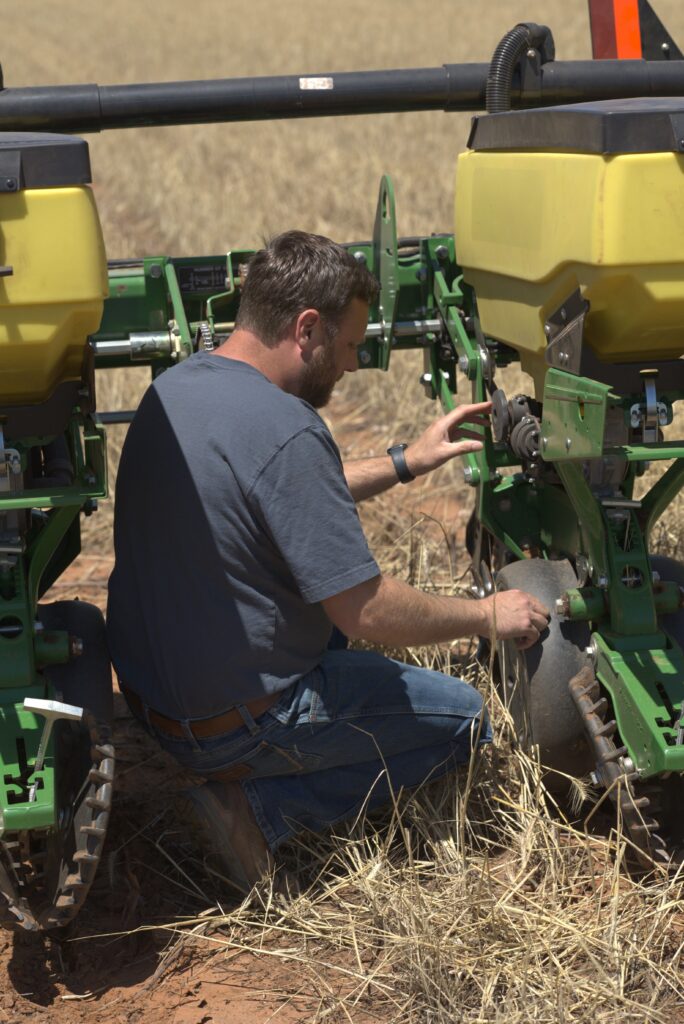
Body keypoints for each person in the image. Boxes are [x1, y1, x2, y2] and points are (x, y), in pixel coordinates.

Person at [107, 230, 549, 894]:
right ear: (306, 329)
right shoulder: (287, 428)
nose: (348, 365)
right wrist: (485, 614)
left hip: (154, 703)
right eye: (347, 347)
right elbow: (365, 609)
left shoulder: (177, 392)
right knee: (462, 719)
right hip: (232, 727)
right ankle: (256, 811)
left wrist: (405, 461)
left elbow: (273, 492)